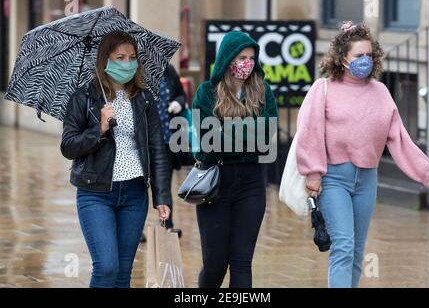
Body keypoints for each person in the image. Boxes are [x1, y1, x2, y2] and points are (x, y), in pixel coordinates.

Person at [295, 21, 429, 288]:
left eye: (369, 56)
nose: (365, 61)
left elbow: (398, 137)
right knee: (344, 247)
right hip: (334, 178)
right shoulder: (322, 89)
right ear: (342, 58)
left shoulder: (381, 92)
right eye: (359, 56)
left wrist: (424, 171)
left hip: (367, 180)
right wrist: (313, 173)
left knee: (358, 251)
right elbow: (309, 132)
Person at [60, 30, 172, 288]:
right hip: (95, 193)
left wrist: (162, 196)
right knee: (107, 267)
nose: (127, 63)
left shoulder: (144, 99)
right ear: (105, 60)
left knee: (123, 272)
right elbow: (68, 146)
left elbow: (157, 148)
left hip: (134, 193)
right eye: (119, 57)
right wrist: (98, 129)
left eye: (132, 57)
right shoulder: (84, 97)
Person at [192, 30, 278, 288]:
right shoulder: (206, 92)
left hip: (251, 184)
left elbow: (267, 135)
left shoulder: (263, 91)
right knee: (215, 264)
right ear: (227, 59)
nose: (247, 63)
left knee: (242, 262)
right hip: (215, 184)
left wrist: (227, 131)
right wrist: (249, 133)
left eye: (251, 58)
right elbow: (210, 143)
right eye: (241, 57)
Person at [140, 64, 186, 243]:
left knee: (164, 184)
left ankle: (167, 225)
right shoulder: (136, 73)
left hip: (167, 138)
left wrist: (178, 103)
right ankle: (135, 229)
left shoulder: (169, 72)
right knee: (139, 186)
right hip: (142, 141)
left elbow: (181, 95)